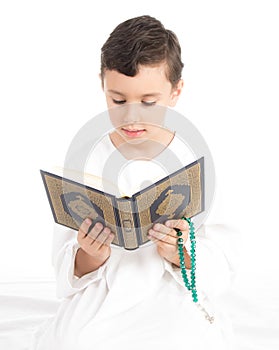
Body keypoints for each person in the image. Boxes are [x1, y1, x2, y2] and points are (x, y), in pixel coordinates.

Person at [31, 15, 236, 350]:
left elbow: (223, 261)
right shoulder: (85, 160)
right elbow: (67, 269)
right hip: (104, 295)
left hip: (171, 291)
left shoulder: (197, 161)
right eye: (118, 100)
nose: (132, 116)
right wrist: (89, 255)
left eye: (148, 102)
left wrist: (179, 252)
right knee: (76, 340)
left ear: (175, 91)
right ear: (103, 86)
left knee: (184, 338)